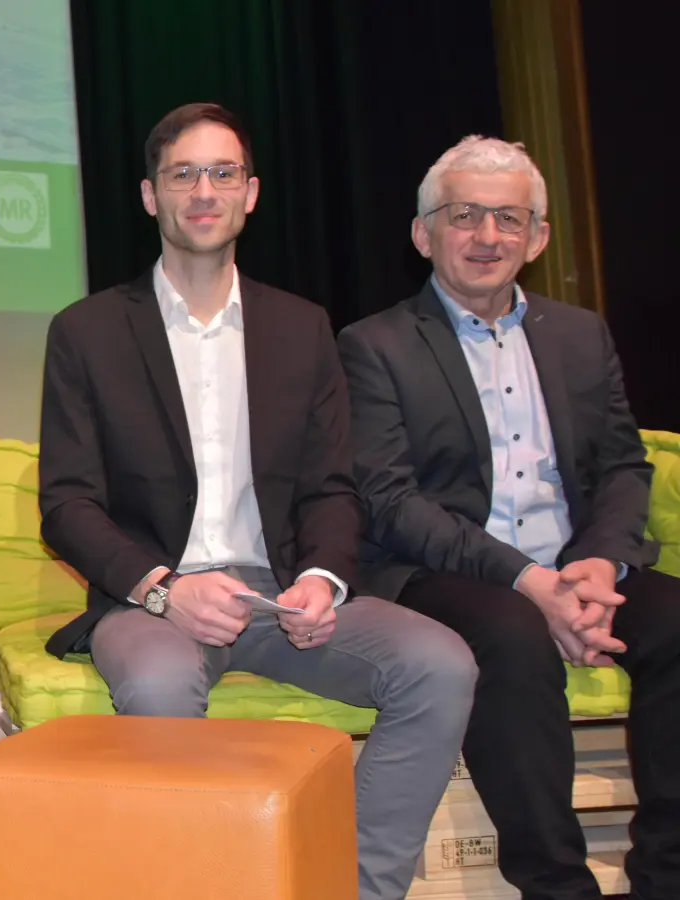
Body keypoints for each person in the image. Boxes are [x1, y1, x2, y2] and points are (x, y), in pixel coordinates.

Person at [38, 102, 478, 900]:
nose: (204, 191)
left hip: (279, 595)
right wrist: (164, 590)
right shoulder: (87, 330)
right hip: (152, 603)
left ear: (251, 193)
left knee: (441, 666)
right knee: (161, 688)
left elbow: (330, 486)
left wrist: (322, 579)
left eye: (223, 173)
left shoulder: (301, 327)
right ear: (150, 195)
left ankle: (357, 889)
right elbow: (67, 504)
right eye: (183, 174)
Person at [339, 135, 680, 900]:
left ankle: (665, 879)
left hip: (575, 562)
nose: (487, 236)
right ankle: (557, 886)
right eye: (464, 215)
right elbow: (389, 501)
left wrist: (597, 566)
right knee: (514, 634)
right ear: (423, 233)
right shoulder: (373, 346)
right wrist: (530, 582)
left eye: (509, 218)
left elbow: (623, 467)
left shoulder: (581, 335)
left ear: (539, 237)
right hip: (448, 572)